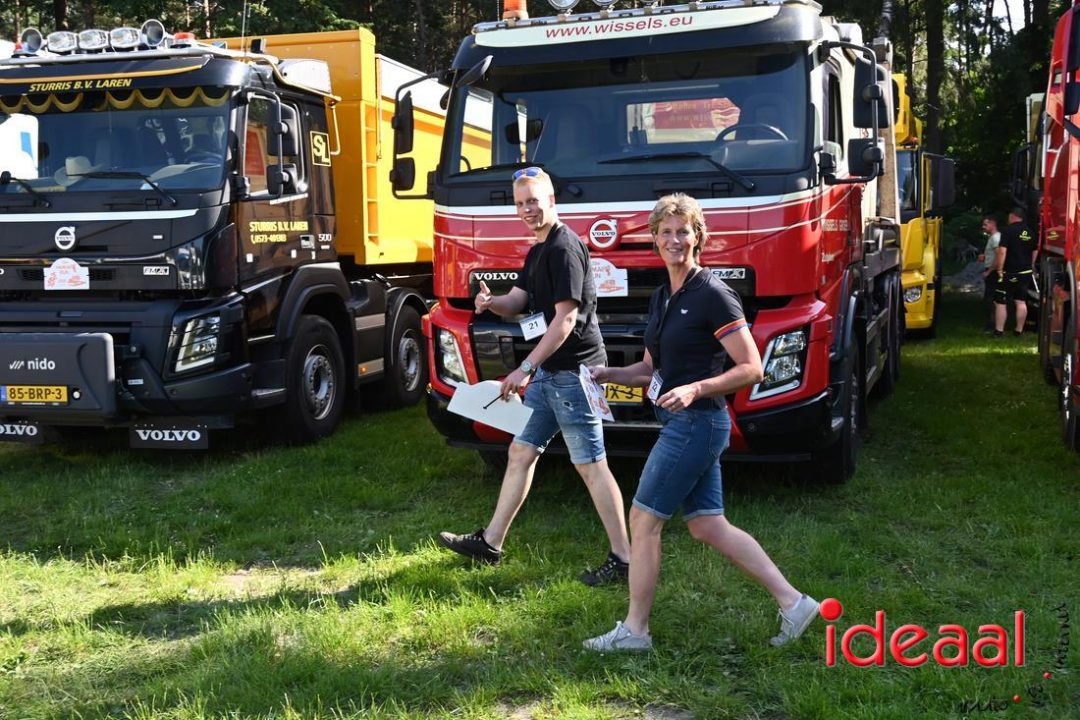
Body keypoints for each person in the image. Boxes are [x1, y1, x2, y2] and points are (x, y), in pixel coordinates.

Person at [582, 193, 818, 652]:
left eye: (683, 231)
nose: (674, 239)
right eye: (665, 232)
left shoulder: (713, 294)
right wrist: (608, 374)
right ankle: (795, 603)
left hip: (697, 423)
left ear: (698, 237)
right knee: (707, 524)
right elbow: (651, 368)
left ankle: (635, 631)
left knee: (643, 520)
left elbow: (752, 368)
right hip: (684, 423)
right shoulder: (662, 296)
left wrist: (696, 388)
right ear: (654, 239)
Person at [436, 167, 632, 586]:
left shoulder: (564, 248)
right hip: (550, 373)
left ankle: (624, 558)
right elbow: (519, 301)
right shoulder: (538, 249)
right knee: (521, 452)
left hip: (573, 375)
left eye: (534, 201)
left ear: (551, 201)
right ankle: (490, 543)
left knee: (591, 466)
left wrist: (524, 368)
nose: (527, 209)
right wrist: (491, 303)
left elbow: (565, 320)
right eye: (521, 203)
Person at [992, 207, 1036, 338]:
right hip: (1025, 271)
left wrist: (1000, 269)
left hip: (1009, 271)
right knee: (1021, 301)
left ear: (1012, 216)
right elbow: (1035, 250)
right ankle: (1019, 330)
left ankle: (999, 331)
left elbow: (1002, 251)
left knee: (1001, 301)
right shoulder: (1031, 232)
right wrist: (1031, 264)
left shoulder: (1007, 231)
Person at [979, 214, 1001, 332]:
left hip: (993, 272)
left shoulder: (995, 238)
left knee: (990, 299)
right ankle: (993, 324)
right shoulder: (992, 238)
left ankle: (992, 324)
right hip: (992, 270)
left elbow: (999, 256)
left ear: (993, 224)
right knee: (991, 298)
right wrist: (985, 256)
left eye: (985, 224)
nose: (983, 227)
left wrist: (989, 271)